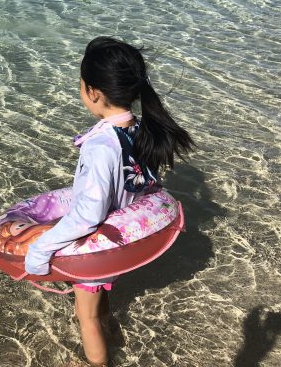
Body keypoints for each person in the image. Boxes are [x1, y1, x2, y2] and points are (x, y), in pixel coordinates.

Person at [24, 36, 194, 367]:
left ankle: (99, 361)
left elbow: (88, 215)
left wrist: (41, 248)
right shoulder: (140, 129)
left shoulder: (101, 146)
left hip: (96, 246)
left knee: (85, 317)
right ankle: (111, 331)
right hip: (119, 243)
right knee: (99, 302)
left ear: (94, 92)